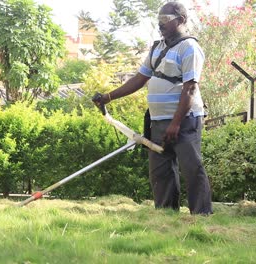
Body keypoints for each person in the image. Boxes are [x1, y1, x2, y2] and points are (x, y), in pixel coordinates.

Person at [93, 2, 212, 215]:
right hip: (157, 121)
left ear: (181, 20)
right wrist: (108, 97)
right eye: (159, 19)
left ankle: (202, 217)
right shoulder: (158, 47)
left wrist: (176, 123)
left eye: (166, 19)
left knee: (192, 168)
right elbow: (139, 79)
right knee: (161, 172)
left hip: (184, 121)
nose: (160, 24)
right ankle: (165, 216)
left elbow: (190, 88)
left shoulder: (190, 48)